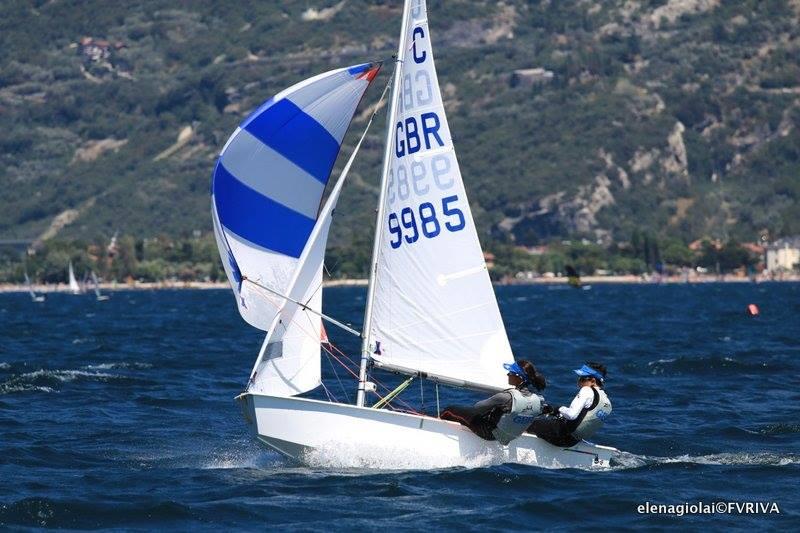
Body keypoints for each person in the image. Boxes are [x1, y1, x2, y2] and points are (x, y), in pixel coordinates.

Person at [440, 359, 546, 445]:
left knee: (449, 410)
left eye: (511, 373)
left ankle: (436, 428)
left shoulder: (505, 397)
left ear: (519, 377)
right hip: (509, 437)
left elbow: (477, 407)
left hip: (488, 434)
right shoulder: (538, 400)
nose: (508, 374)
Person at [529, 361, 612, 447]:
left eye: (582, 378)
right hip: (572, 441)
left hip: (562, 436)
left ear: (593, 381)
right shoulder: (606, 401)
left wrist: (559, 408)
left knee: (527, 423)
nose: (579, 380)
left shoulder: (587, 390)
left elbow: (571, 415)